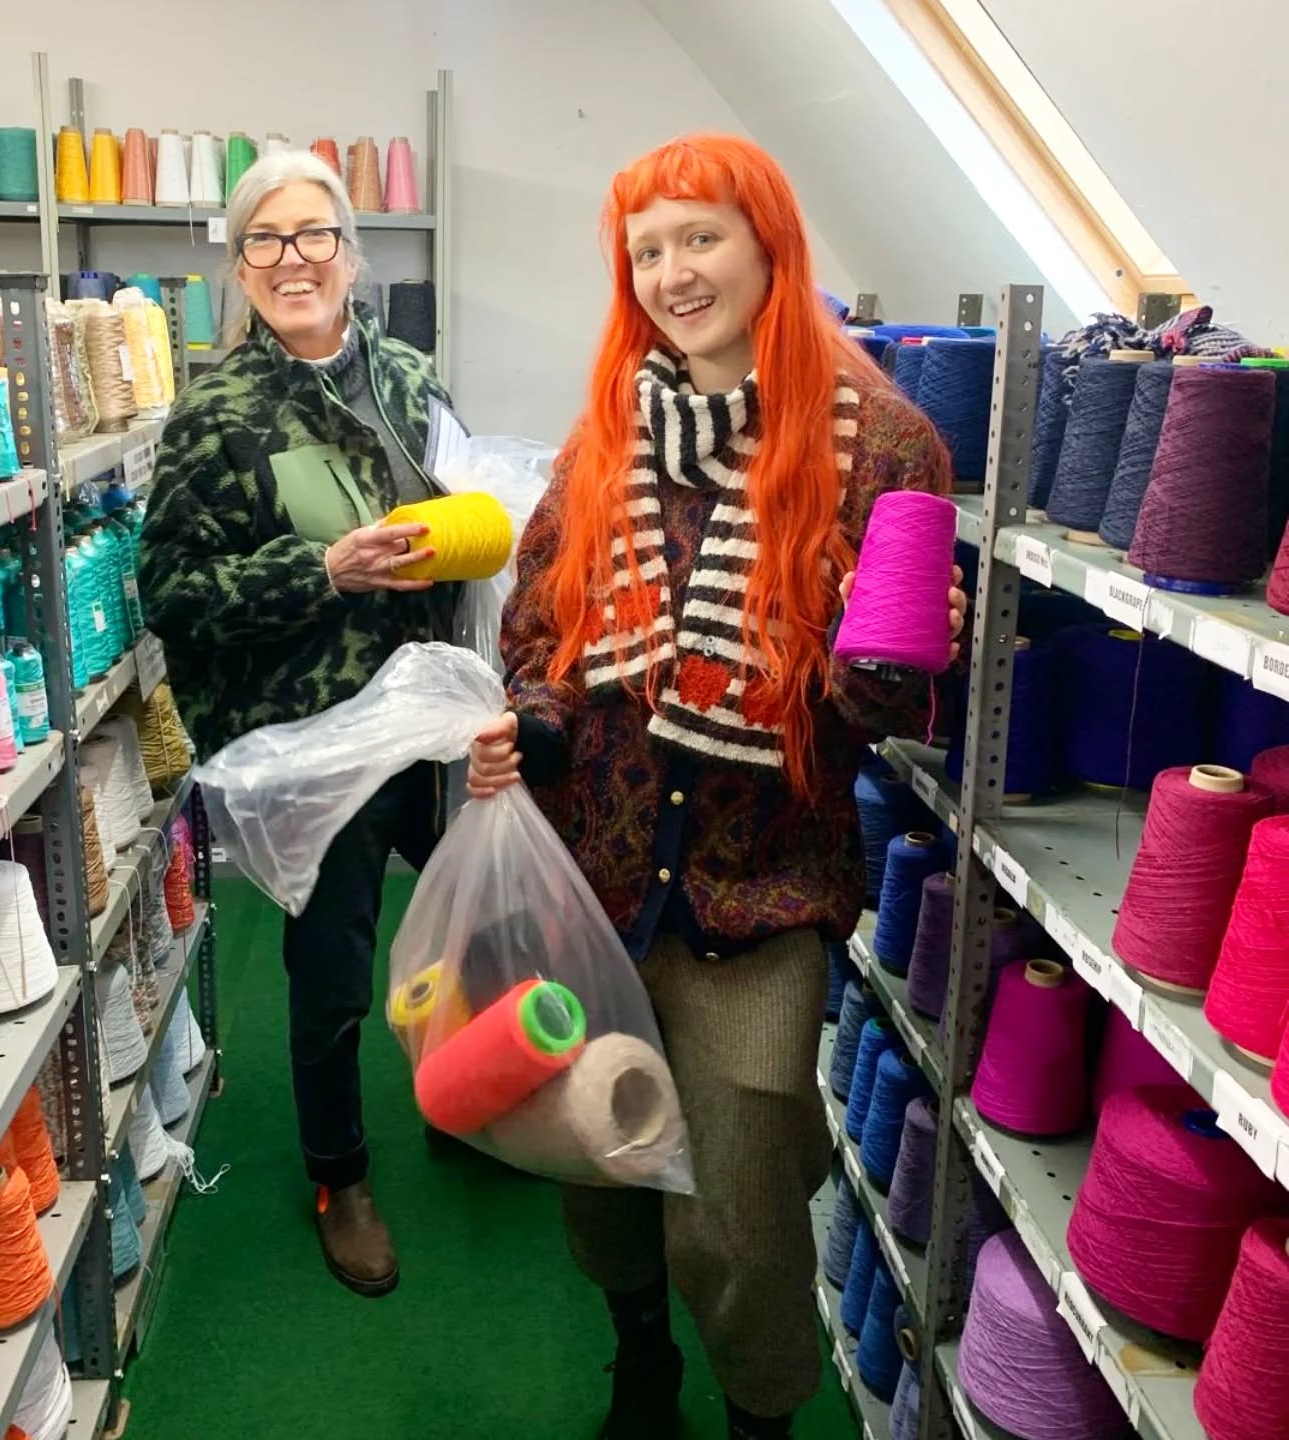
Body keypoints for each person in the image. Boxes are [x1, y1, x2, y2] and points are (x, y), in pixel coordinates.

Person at [468, 134, 965, 1440]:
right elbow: (542, 633)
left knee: (739, 1210)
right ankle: (641, 1364)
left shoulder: (883, 451)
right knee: (601, 1166)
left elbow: (890, 714)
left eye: (702, 238)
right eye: (648, 251)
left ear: (768, 245)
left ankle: (759, 1414)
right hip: (597, 884)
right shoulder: (605, 444)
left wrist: (879, 648)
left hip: (764, 892)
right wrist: (527, 728)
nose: (675, 272)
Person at [139, 150, 462, 1298]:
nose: (293, 260)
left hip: (430, 708)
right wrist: (321, 570)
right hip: (315, 738)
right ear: (239, 266)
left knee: (483, 912)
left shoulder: (413, 377)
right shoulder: (213, 412)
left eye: (313, 234)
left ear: (351, 251)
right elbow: (170, 595)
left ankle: (464, 1094)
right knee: (330, 973)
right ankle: (340, 1172)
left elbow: (463, 518)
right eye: (265, 240)